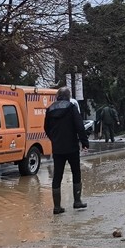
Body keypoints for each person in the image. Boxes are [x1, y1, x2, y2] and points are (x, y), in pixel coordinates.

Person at [44, 86, 91, 214]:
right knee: (76, 172)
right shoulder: (71, 108)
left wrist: (54, 139)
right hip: (72, 147)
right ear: (68, 96)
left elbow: (46, 128)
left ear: (58, 96)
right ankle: (77, 201)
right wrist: (84, 142)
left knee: (57, 176)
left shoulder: (50, 109)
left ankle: (57, 207)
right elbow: (79, 126)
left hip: (58, 148)